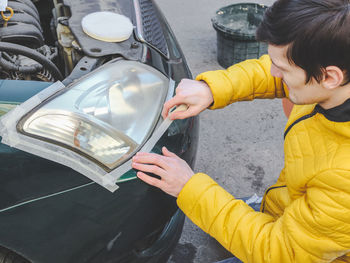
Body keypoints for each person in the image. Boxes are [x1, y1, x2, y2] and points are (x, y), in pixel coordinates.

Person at [132, 0, 350, 262]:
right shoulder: (331, 73)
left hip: (296, 251)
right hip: (296, 207)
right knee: (225, 222)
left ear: (330, 77)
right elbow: (272, 72)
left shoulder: (342, 182)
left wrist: (188, 188)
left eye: (282, 69)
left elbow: (281, 252)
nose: (272, 72)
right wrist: (213, 89)